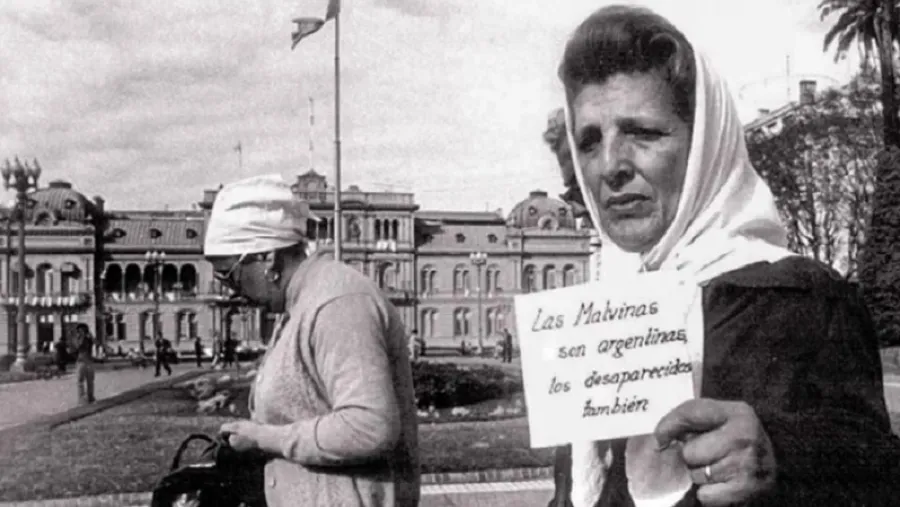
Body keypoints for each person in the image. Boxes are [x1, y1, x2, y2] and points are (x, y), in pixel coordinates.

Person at [546, 5, 900, 507]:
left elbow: (881, 479)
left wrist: (784, 459)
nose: (610, 166)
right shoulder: (596, 320)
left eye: (643, 133)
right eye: (589, 141)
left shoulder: (804, 300)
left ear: (704, 144)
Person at [204, 174, 420, 507]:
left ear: (267, 258)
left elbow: (369, 426)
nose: (230, 290)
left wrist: (264, 439)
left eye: (228, 275)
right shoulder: (301, 302)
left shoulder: (338, 302)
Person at [69, 324, 95, 404]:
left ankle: (85, 398)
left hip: (84, 362)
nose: (79, 332)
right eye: (79, 331)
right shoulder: (86, 338)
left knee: (83, 381)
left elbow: (78, 346)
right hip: (86, 362)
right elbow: (75, 348)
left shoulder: (86, 339)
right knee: (87, 381)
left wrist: (75, 337)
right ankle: (87, 397)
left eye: (80, 330)